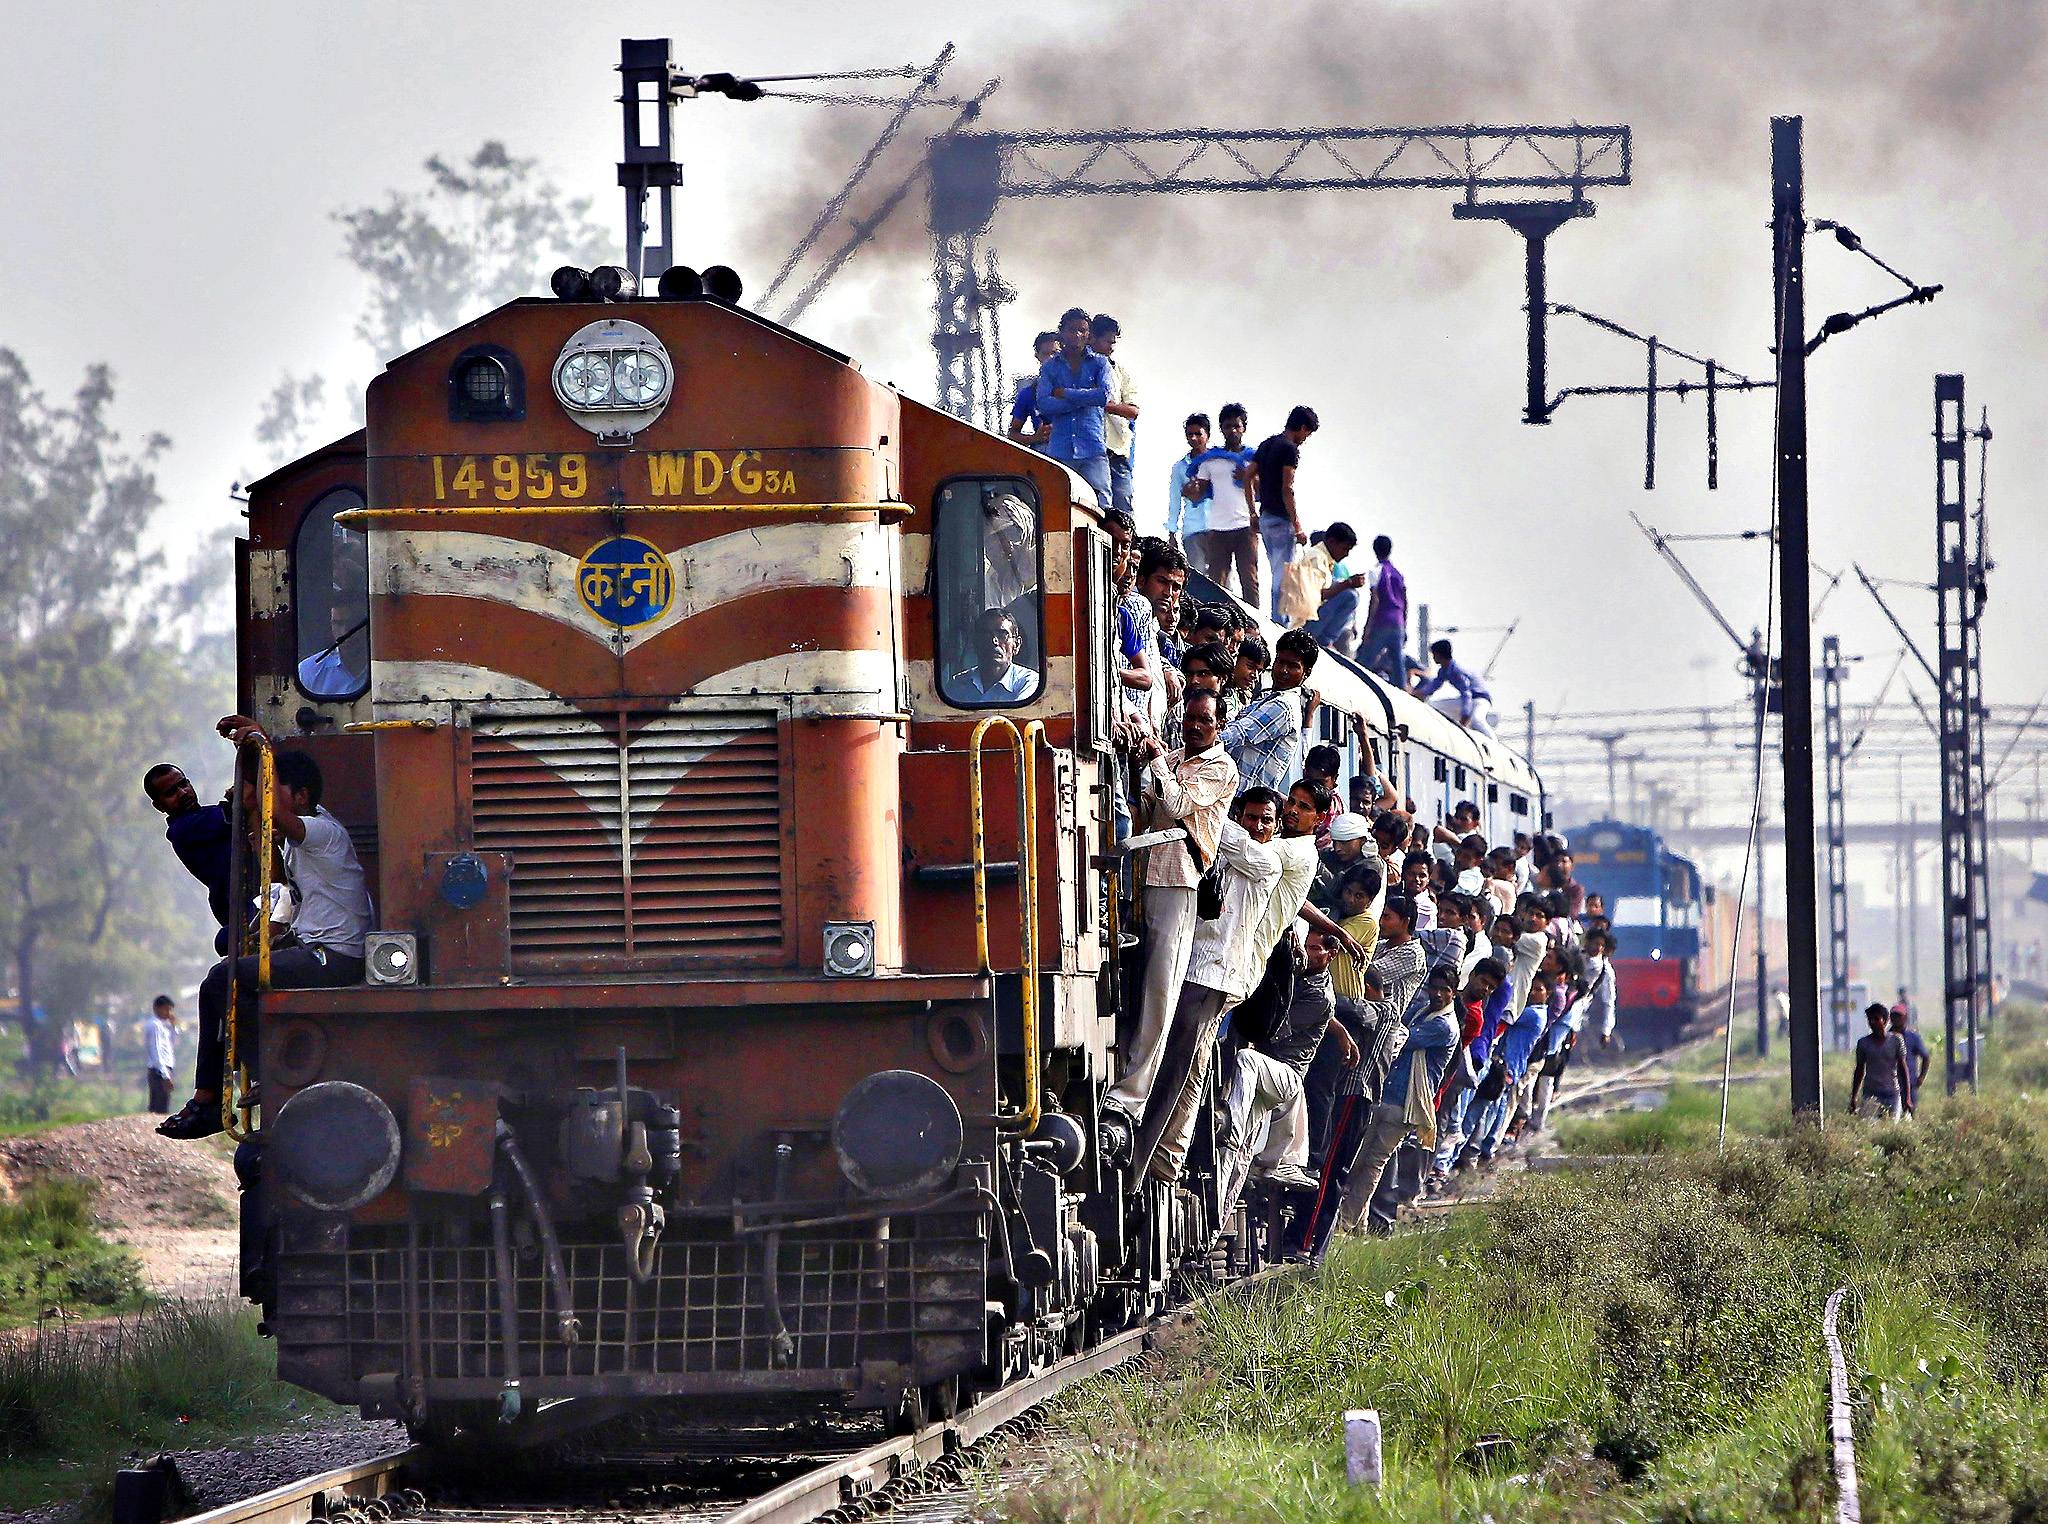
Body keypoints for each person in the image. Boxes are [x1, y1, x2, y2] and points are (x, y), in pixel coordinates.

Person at [159, 721, 375, 1140]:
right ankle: (249, 1078)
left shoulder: (322, 832)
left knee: (222, 980)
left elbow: (277, 816)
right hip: (316, 947)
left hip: (335, 956)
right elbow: (278, 881)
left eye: (270, 794)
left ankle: (225, 1092)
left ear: (301, 798)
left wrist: (260, 746)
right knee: (230, 971)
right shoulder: (298, 845)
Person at [1133, 789, 1286, 1183]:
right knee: (1171, 1063)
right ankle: (1152, 1158)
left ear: (1276, 827)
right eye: (1250, 817)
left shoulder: (1266, 861)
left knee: (1173, 1067)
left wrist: (1204, 809)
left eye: (1265, 820)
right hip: (1187, 965)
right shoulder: (1218, 850)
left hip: (1213, 975)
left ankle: (1138, 1163)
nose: (1256, 826)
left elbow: (1222, 834)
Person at [1109, 691, 1237, 1123]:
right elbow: (1149, 808)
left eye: (1205, 719)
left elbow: (1178, 804)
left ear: (1219, 724)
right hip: (1142, 872)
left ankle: (1132, 1094)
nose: (1196, 726)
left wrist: (1157, 755)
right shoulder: (1176, 756)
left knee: (1160, 988)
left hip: (1179, 879)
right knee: (1133, 979)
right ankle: (1120, 1072)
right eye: (1191, 718)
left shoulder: (1221, 767)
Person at [143, 762, 235, 952]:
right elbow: (236, 814)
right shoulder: (183, 830)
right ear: (159, 806)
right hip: (236, 901)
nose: (182, 793)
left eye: (183, 784)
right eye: (171, 792)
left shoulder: (207, 813)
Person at [1220, 629, 1319, 797]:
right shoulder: (1270, 698)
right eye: (1281, 662)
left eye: (1293, 666)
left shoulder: (1283, 707)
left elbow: (1237, 734)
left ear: (1306, 672)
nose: (1284, 670)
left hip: (1240, 800)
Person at [1036, 307, 1115, 509]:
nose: (1077, 335)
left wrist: (1066, 393)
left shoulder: (1100, 363)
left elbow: (1103, 396)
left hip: (1092, 447)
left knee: (1102, 505)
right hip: (1061, 450)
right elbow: (1043, 403)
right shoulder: (1050, 367)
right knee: (1057, 505)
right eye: (1072, 329)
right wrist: (1084, 397)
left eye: (1082, 330)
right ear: (1061, 332)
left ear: (1088, 335)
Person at [1253, 406, 1319, 622]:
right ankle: (1279, 622)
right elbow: (1287, 488)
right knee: (1284, 576)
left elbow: (1248, 478)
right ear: (1301, 427)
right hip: (1282, 519)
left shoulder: (1267, 444)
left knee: (1275, 570)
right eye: (1307, 433)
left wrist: (1253, 512)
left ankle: (1278, 618)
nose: (1305, 438)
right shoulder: (1289, 449)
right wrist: (1297, 525)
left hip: (1265, 518)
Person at [1187, 403, 1258, 602]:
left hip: (1245, 525)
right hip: (1217, 527)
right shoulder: (1211, 460)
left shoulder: (1254, 460)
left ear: (1244, 427)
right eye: (1228, 426)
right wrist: (1192, 490)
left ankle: (1253, 627)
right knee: (1217, 581)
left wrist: (1248, 477)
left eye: (1237, 426)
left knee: (1249, 579)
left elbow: (1264, 491)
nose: (1233, 431)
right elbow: (1198, 492)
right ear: (1222, 429)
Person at [1090, 315, 1141, 518]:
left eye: (1113, 342)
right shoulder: (1077, 370)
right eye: (1107, 341)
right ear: (1092, 338)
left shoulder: (1119, 373)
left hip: (1116, 451)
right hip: (1089, 452)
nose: (1111, 347)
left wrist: (1103, 402)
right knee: (1096, 510)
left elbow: (1133, 411)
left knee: (1123, 513)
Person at [1301, 522, 1366, 651]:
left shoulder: (1326, 560)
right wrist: (1348, 583)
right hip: (1304, 624)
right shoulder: (1316, 558)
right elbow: (1318, 595)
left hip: (1312, 619)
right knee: (1350, 596)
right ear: (1331, 542)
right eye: (1345, 549)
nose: (1346, 554)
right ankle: (1324, 640)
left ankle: (1324, 640)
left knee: (1349, 592)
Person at [1414, 639, 1496, 739]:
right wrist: (1418, 693)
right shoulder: (1444, 670)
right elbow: (1434, 686)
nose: (1433, 657)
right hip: (1467, 700)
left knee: (1476, 720)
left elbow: (1466, 693)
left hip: (1480, 699)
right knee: (1432, 706)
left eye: (1434, 654)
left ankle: (1493, 744)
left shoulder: (1457, 670)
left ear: (1440, 655)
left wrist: (1466, 714)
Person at [951, 608, 1038, 701]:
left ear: (1016, 645)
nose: (994, 641)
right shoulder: (958, 683)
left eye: (1002, 635)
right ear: (975, 643)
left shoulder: (1029, 682)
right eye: (985, 635)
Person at [1849, 1002, 1912, 1121]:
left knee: (1891, 1126)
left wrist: (1907, 1097)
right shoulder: (1863, 1043)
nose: (1872, 1022)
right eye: (1870, 1019)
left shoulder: (1896, 1040)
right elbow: (1859, 1070)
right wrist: (1854, 1097)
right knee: (1868, 1127)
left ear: (1885, 1020)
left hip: (1892, 1093)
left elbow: (1903, 1069)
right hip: (1871, 1094)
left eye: (1876, 1019)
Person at [1360, 536, 1408, 686]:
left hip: (1381, 622)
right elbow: (1405, 601)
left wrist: (1368, 628)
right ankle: (1402, 692)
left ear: (1375, 550)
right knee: (1398, 663)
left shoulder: (1376, 571)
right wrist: (1404, 624)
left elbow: (1375, 600)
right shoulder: (1398, 574)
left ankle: (1360, 685)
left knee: (1365, 660)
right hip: (1398, 621)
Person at [1166, 414, 1213, 564]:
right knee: (1198, 577)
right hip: (1193, 529)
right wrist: (1172, 532)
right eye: (1190, 434)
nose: (1193, 438)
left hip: (1219, 527)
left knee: (1223, 580)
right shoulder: (1180, 467)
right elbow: (1175, 501)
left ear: (1207, 435)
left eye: (1198, 434)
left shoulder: (1217, 462)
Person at [1006, 330, 1059, 448]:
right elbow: (1012, 434)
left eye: (1055, 353)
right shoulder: (1029, 393)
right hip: (1046, 452)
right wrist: (1036, 438)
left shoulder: (1079, 386)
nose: (1051, 358)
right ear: (1037, 356)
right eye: (1046, 353)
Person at [1890, 1004, 1930, 1115]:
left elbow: (1925, 1057)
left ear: (1905, 1018)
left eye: (1899, 1016)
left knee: (1908, 1115)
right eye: (1894, 1016)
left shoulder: (1913, 1037)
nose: (1896, 1019)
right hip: (1890, 1085)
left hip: (1910, 1084)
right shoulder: (1886, 1037)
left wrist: (1921, 1077)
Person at [145, 995, 178, 1115]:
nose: (169, 1013)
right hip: (159, 1070)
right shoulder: (154, 1025)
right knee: (159, 1107)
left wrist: (174, 1027)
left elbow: (171, 1044)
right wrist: (166, 1075)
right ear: (157, 1008)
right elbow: (156, 1051)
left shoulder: (163, 1025)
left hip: (165, 1068)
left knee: (164, 1104)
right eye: (166, 1009)